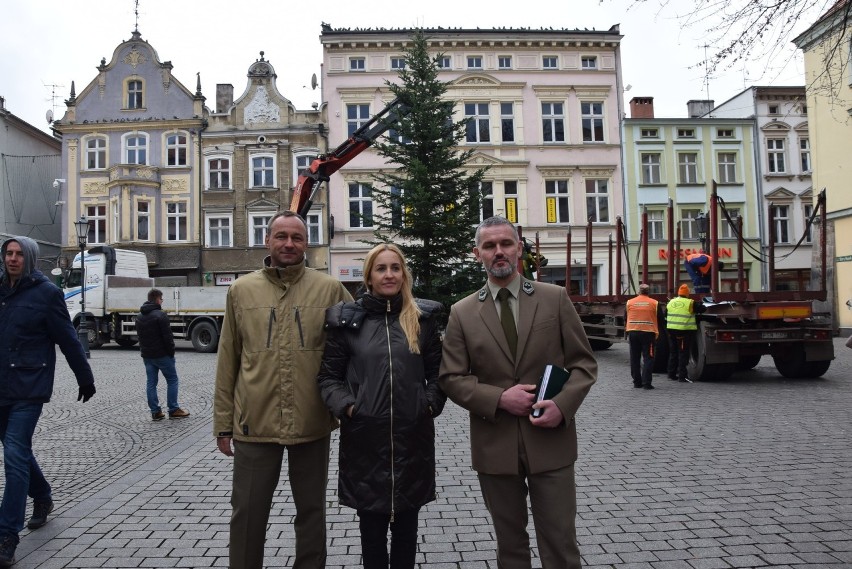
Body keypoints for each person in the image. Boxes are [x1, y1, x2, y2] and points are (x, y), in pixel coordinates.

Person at [439, 216, 598, 569]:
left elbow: (584, 364)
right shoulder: (462, 313)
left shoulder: (554, 299)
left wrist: (562, 405)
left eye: (506, 244)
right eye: (490, 246)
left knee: (560, 543)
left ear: (519, 249)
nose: (499, 252)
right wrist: (499, 399)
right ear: (476, 254)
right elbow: (451, 378)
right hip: (495, 445)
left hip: (551, 441)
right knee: (510, 546)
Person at [213, 211, 352, 569]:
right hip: (254, 425)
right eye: (281, 236)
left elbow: (355, 351)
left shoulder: (330, 289)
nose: (289, 244)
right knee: (247, 513)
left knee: (311, 512)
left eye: (297, 237)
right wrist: (223, 423)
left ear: (306, 243)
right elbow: (229, 358)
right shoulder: (241, 290)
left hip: (312, 422)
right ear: (268, 240)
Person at [317, 243, 446, 569]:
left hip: (412, 439)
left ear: (404, 274)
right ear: (370, 277)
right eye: (381, 268)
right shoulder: (347, 322)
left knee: (407, 530)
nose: (389, 274)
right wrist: (349, 408)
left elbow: (439, 373)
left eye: (395, 267)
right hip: (365, 442)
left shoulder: (422, 319)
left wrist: (428, 404)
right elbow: (328, 378)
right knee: (371, 532)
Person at [0, 236, 96, 567]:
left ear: (30, 257)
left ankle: (7, 536)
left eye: (18, 254)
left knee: (13, 455)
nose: (12, 259)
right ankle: (42, 497)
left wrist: (85, 376)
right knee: (18, 452)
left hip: (29, 386)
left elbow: (68, 339)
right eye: (8, 253)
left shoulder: (47, 294)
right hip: (0, 387)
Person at [135, 288, 189, 420]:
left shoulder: (139, 316)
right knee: (172, 380)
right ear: (158, 299)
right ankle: (174, 409)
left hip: (147, 356)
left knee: (151, 383)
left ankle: (155, 412)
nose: (162, 301)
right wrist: (171, 352)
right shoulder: (160, 315)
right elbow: (168, 337)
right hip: (162, 355)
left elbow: (140, 337)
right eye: (161, 299)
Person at [665, 284, 706, 382]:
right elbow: (703, 309)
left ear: (679, 293)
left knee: (673, 352)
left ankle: (671, 374)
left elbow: (665, 314)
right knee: (683, 353)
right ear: (687, 294)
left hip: (671, 331)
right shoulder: (690, 303)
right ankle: (682, 376)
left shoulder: (671, 302)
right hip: (683, 332)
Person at [625, 283, 660, 390]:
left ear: (639, 292)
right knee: (648, 358)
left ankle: (637, 382)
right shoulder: (654, 303)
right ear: (648, 292)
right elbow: (661, 320)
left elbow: (625, 317)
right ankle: (646, 383)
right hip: (648, 333)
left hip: (633, 332)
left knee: (634, 358)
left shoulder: (629, 302)